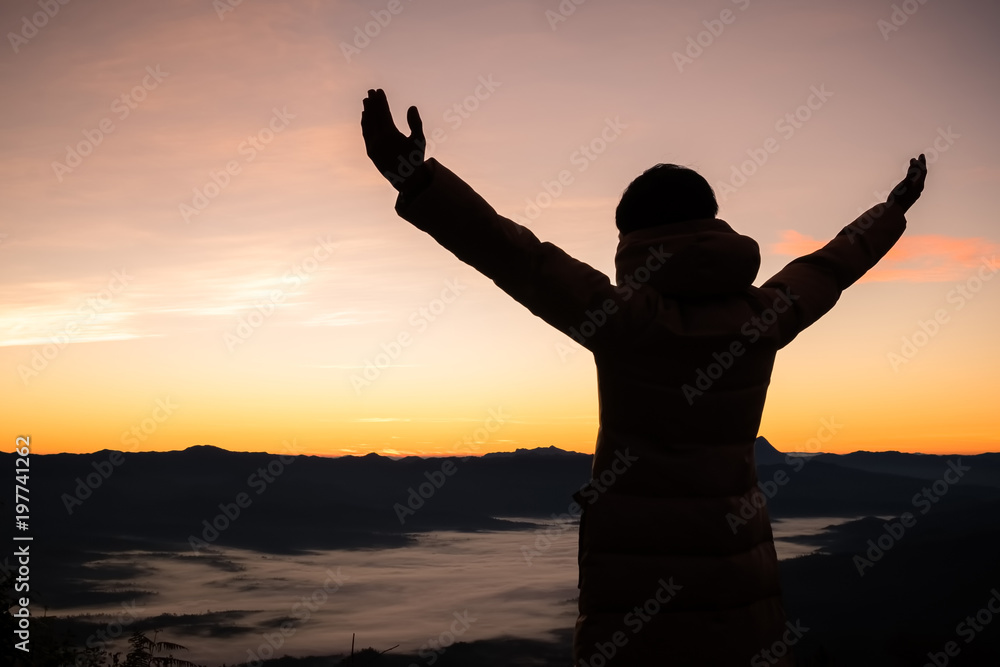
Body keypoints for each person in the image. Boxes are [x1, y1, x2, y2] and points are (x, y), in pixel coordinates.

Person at [360, 88, 928, 666]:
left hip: (634, 591)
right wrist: (890, 212)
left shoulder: (622, 320)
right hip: (739, 573)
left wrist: (417, 181)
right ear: (712, 225)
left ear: (632, 241)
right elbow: (828, 268)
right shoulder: (761, 318)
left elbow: (516, 257)